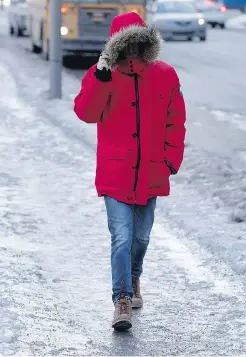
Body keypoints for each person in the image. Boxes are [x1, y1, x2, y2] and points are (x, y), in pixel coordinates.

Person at [73, 12, 186, 330]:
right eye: (126, 44)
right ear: (115, 46)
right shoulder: (103, 75)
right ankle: (121, 299)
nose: (133, 50)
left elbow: (175, 120)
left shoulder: (165, 74)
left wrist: (169, 160)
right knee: (121, 238)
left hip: (152, 172)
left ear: (146, 42)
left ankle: (134, 277)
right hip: (115, 174)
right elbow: (86, 112)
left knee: (141, 238)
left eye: (138, 43)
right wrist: (99, 77)